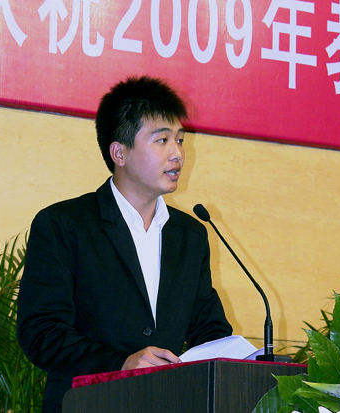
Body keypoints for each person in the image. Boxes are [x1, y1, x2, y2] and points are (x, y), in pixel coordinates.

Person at [17, 76, 232, 412]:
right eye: (162, 140)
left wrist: (239, 358)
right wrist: (121, 363)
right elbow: (41, 333)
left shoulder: (189, 235)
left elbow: (209, 328)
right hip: (87, 404)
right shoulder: (64, 225)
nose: (177, 153)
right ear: (119, 152)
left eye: (180, 140)